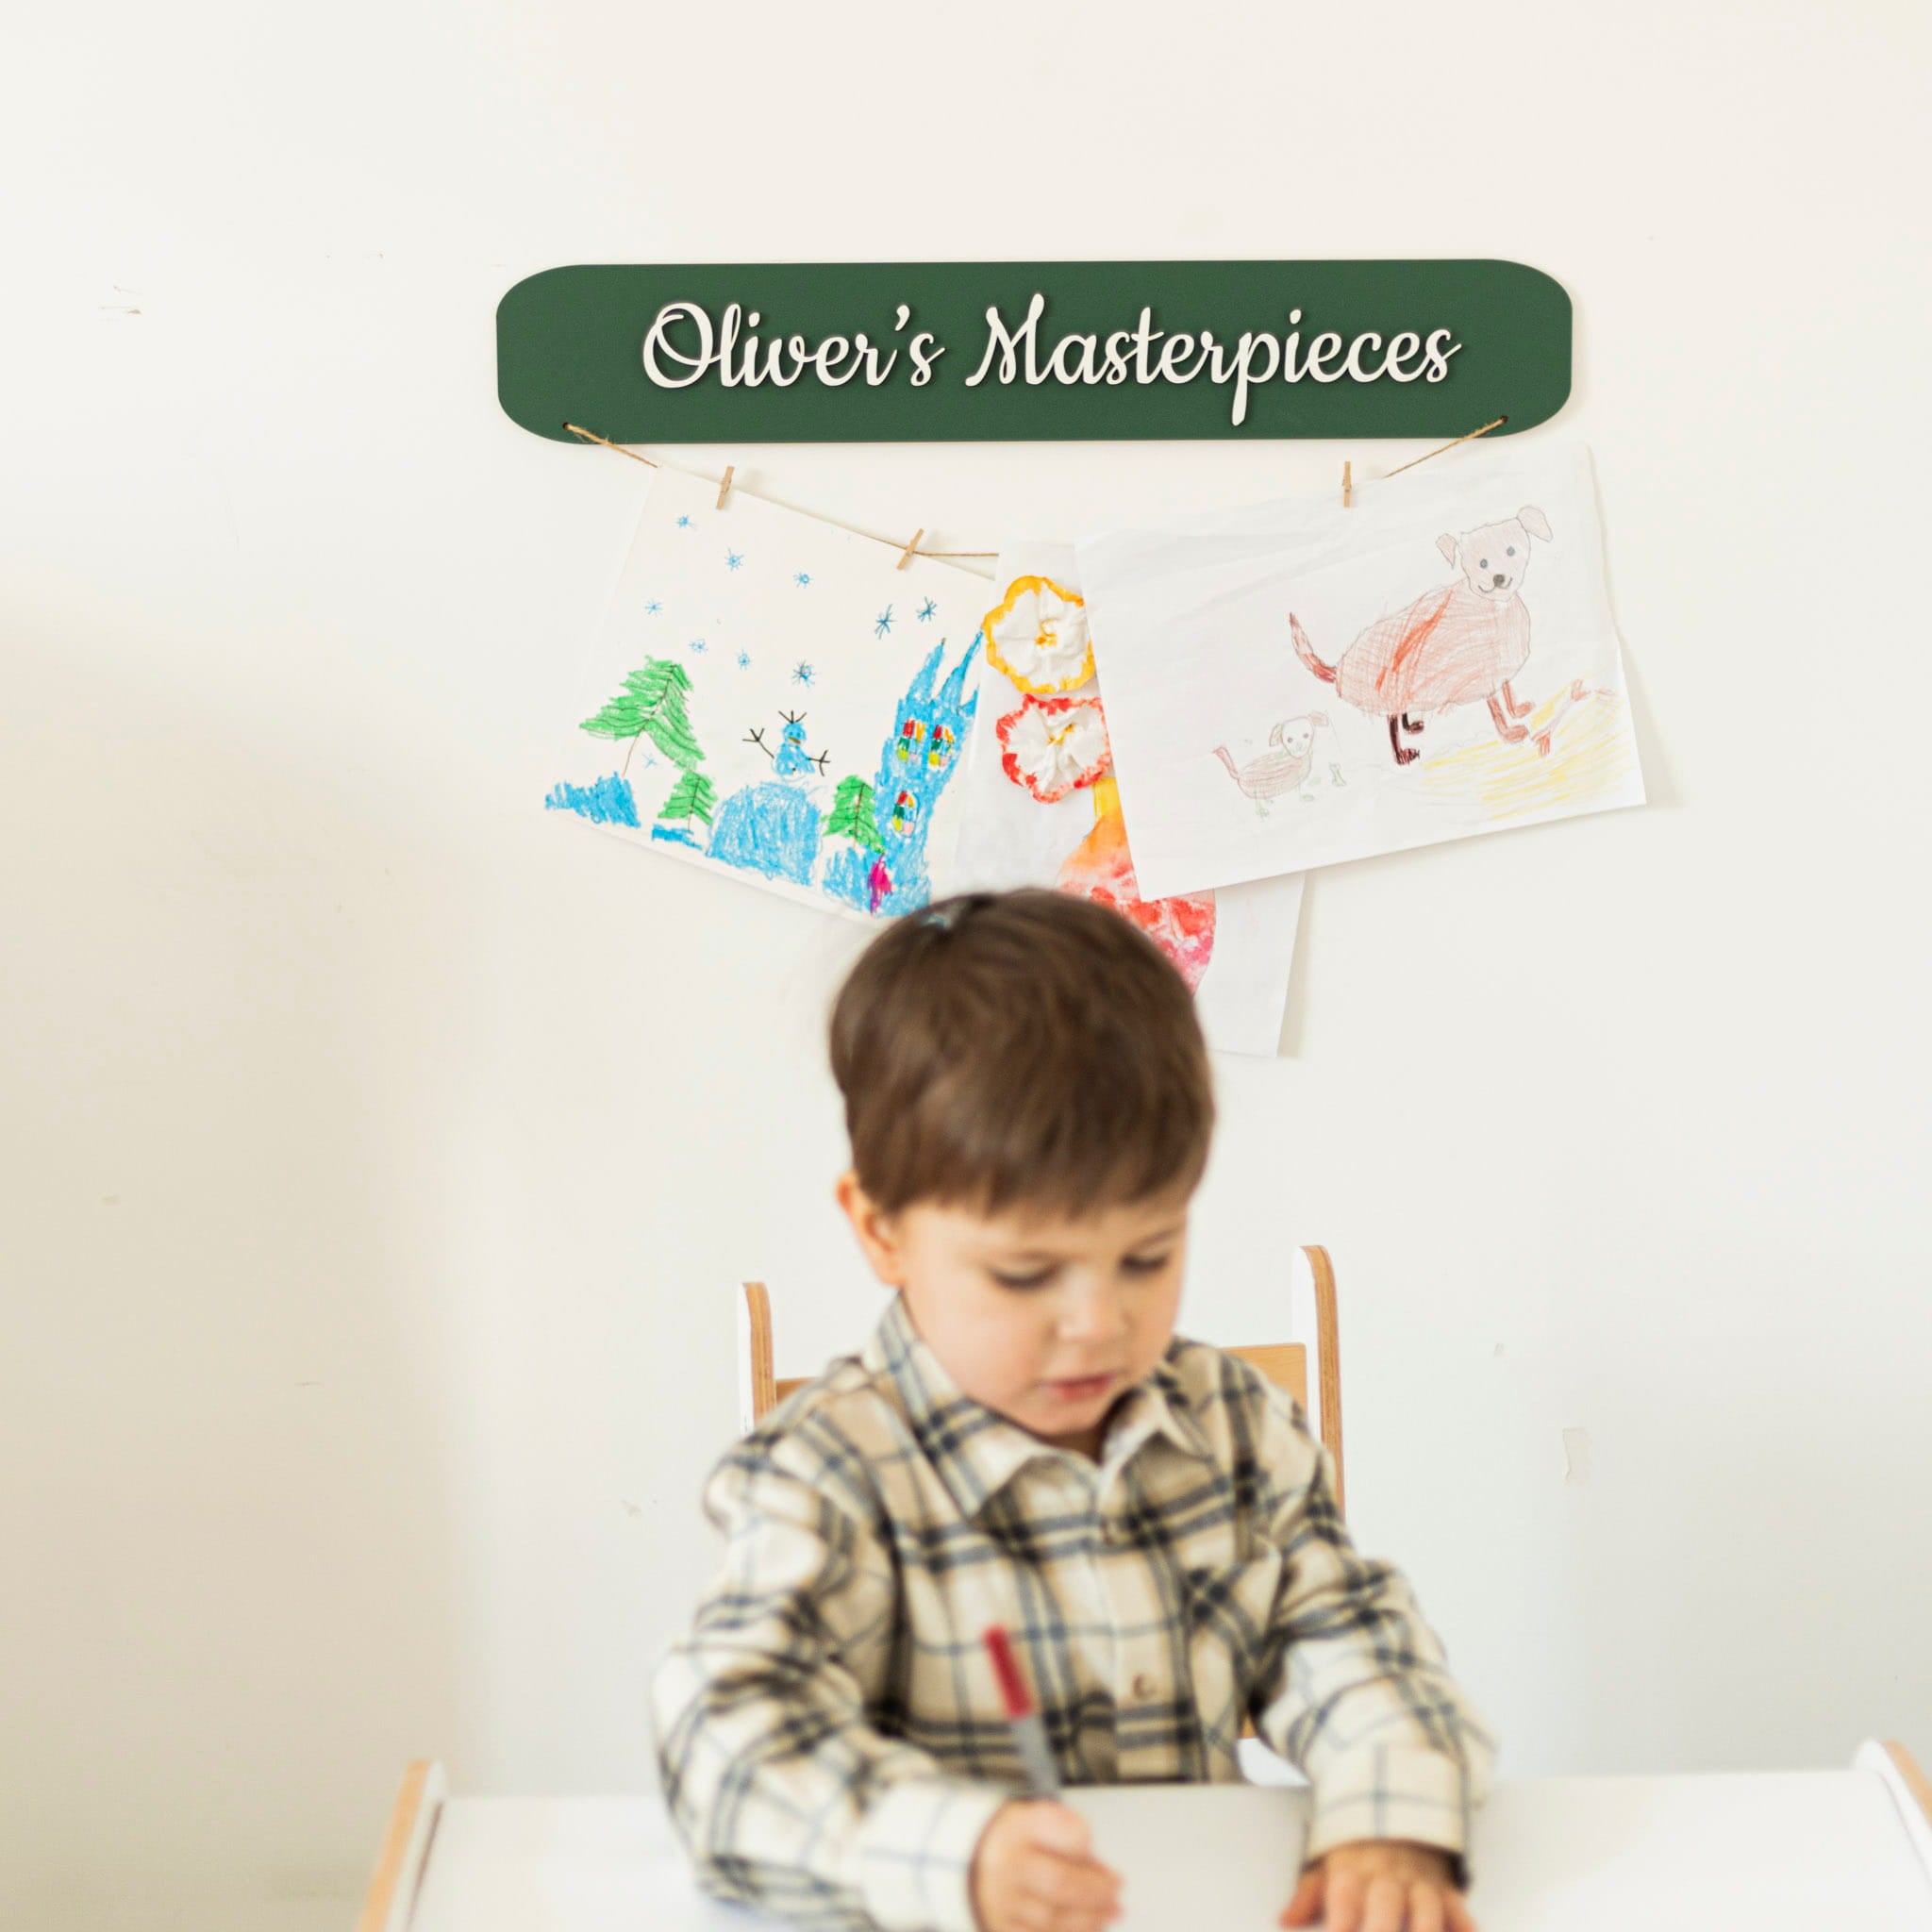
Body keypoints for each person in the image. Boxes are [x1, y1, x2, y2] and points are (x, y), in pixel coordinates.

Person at [654, 890, 1492, 1932]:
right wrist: (954, 1854)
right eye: (1024, 1274)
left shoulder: (1234, 1429)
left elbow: (1349, 1637)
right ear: (881, 1230)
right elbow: (725, 1740)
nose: (1097, 1323)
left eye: (1147, 1256)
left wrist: (1385, 1816)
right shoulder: (827, 1472)